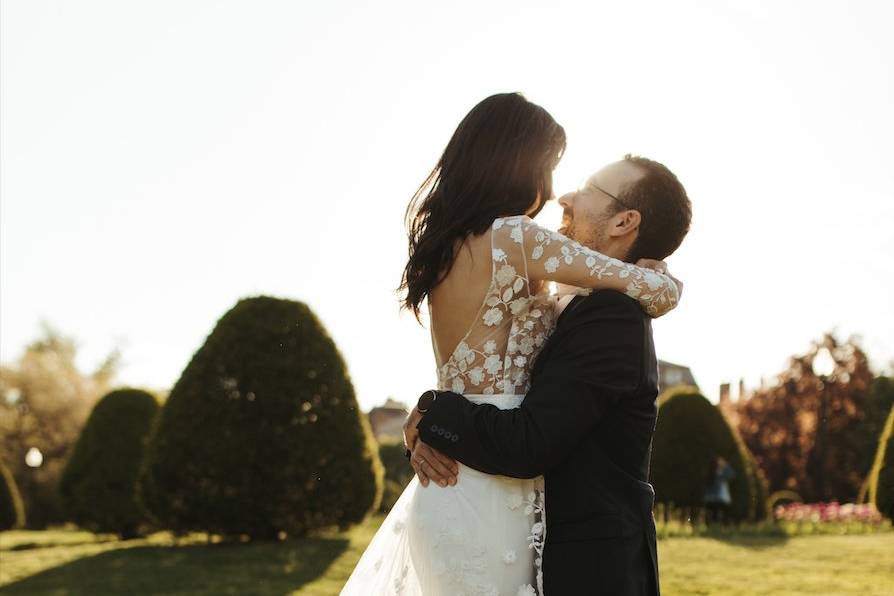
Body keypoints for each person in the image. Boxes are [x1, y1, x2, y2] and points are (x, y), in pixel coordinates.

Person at [340, 92, 682, 596]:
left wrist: (433, 415)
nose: (556, 191)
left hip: (457, 483)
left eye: (584, 186)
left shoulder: (455, 246)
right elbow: (648, 289)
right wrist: (662, 278)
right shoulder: (516, 239)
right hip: (490, 486)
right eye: (551, 168)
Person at [402, 156, 692, 595]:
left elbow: (528, 442)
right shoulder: (576, 306)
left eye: (589, 189)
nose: (566, 196)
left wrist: (435, 411)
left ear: (624, 221)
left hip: (592, 573)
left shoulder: (611, 318)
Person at [704, 456, 736, 525]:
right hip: (718, 499)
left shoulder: (710, 473)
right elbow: (731, 474)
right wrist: (725, 465)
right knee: (717, 516)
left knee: (711, 515)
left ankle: (712, 528)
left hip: (711, 499)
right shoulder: (718, 475)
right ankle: (716, 528)